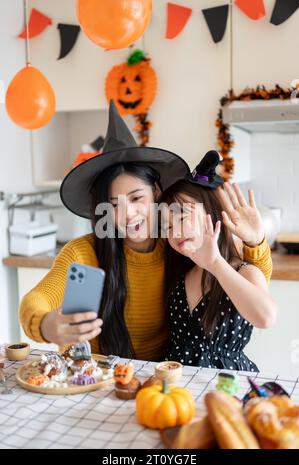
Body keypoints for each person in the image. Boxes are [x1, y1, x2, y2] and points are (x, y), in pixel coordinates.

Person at [19, 102, 273, 361]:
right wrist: (46, 325)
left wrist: (256, 242)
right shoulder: (83, 253)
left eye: (136, 198)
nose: (127, 214)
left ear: (157, 194)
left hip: (162, 376)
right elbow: (35, 300)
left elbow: (248, 285)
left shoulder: (176, 242)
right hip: (99, 377)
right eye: (114, 205)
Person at [160, 151, 276, 371]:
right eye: (167, 227)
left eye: (182, 216)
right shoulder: (180, 274)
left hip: (228, 384)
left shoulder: (245, 271)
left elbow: (266, 318)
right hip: (177, 385)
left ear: (213, 213)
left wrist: (215, 263)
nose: (175, 231)